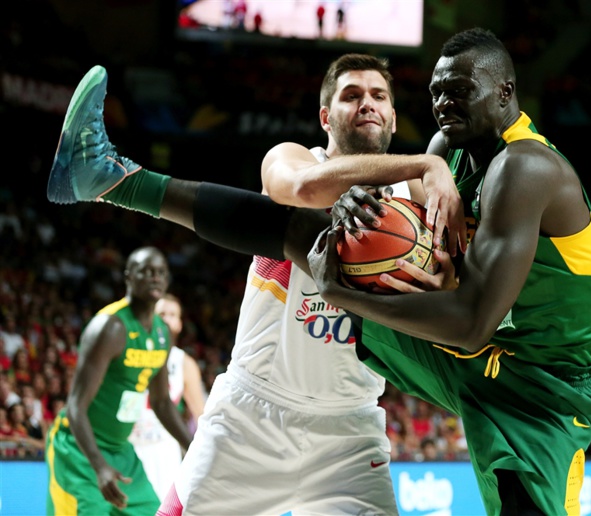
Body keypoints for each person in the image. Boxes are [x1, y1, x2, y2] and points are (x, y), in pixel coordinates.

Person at [46, 54, 462, 515]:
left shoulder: (417, 200)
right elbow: (301, 188)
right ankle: (115, 179)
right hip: (253, 414)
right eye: (351, 95)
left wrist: (448, 284)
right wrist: (425, 163)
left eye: (378, 96)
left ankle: (117, 180)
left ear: (393, 116)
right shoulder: (293, 158)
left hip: (350, 428)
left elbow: (462, 289)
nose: (368, 104)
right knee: (294, 223)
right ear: (325, 117)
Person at [307, 27, 591, 514]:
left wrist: (341, 295)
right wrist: (350, 203)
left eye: (460, 90)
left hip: (543, 387)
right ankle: (143, 189)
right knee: (313, 237)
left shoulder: (525, 165)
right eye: (435, 92)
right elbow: (400, 233)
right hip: (485, 351)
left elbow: (470, 326)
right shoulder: (445, 148)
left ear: (505, 93)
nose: (444, 103)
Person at [45, 247, 192, 515]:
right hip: (79, 452)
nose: (154, 278)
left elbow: (161, 402)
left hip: (122, 452)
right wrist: (99, 465)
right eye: (146, 272)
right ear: (129, 277)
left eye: (160, 273)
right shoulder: (110, 327)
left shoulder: (162, 333)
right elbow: (75, 406)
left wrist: (193, 446)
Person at [129, 293, 205, 501]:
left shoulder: (184, 363)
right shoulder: (131, 350)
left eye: (172, 314)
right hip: (129, 443)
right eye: (162, 313)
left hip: (164, 450)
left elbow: (201, 415)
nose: (166, 318)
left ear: (179, 324)